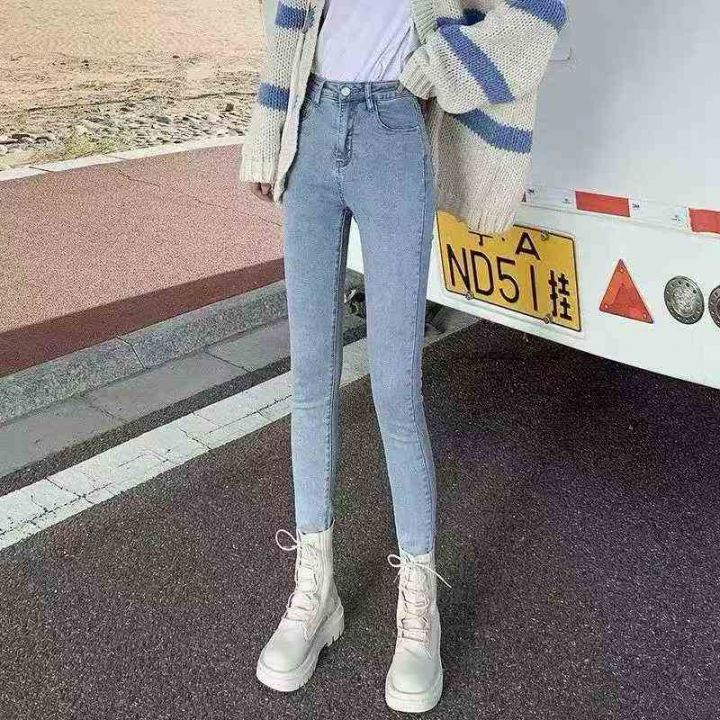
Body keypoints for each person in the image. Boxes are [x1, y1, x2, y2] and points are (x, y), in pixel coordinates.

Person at [240, 0, 566, 712]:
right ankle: (315, 591)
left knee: (395, 388)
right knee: (310, 382)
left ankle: (419, 608)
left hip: (394, 130)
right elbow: (285, 19)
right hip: (311, 126)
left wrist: (440, 67)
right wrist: (268, 130)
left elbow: (538, 14)